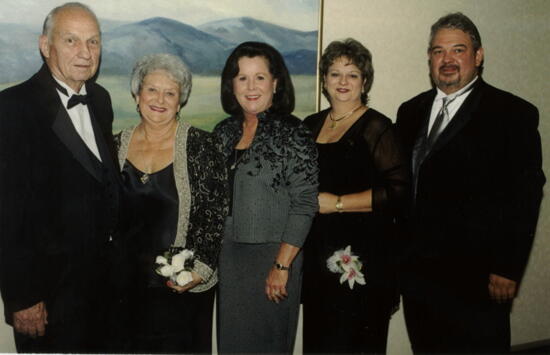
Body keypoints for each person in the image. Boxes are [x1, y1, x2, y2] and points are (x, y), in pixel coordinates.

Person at [395, 12, 545, 353]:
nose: (447, 60)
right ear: (429, 58)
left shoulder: (512, 113)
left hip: (478, 279)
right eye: (438, 51)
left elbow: (525, 196)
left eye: (458, 50)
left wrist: (507, 268)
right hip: (418, 277)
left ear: (478, 56)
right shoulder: (410, 111)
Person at [0, 2, 120, 353]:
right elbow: (6, 213)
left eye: (93, 42)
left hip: (104, 293)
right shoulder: (12, 108)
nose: (85, 53)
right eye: (71, 41)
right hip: (49, 300)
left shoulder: (101, 99)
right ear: (44, 45)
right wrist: (23, 297)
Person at [301, 38, 408, 354]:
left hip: (364, 257)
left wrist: (336, 203)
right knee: (321, 342)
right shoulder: (310, 125)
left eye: (352, 74)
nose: (343, 82)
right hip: (317, 255)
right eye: (335, 73)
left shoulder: (377, 127)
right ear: (324, 80)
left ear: (365, 80)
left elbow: (398, 191)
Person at [115, 53, 227, 353]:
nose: (160, 99)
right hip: (125, 288)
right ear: (137, 95)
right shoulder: (113, 145)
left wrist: (198, 270)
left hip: (181, 290)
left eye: (170, 93)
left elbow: (216, 216)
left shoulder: (203, 146)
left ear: (180, 101)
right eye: (152, 89)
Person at [213, 41, 319, 353]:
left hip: (273, 260)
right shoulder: (223, 132)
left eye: (260, 77)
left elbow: (304, 202)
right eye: (242, 77)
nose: (251, 86)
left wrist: (282, 266)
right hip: (229, 260)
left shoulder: (293, 132)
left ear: (275, 83)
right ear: (231, 85)